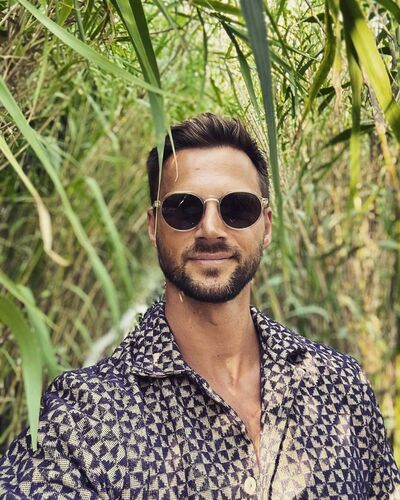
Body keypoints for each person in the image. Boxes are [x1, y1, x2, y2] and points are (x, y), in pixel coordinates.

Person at [0, 113, 399, 499]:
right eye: (184, 209)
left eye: (237, 208)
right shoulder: (85, 418)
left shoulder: (340, 385)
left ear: (266, 225)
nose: (210, 228)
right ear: (154, 226)